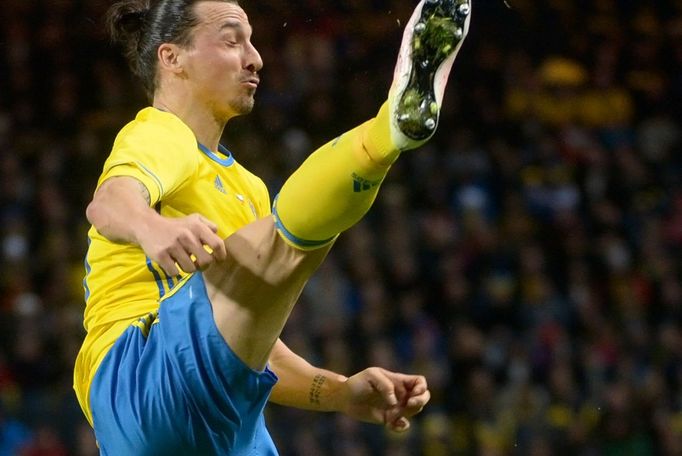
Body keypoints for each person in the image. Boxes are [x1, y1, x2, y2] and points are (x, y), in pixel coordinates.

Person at [73, 0, 471, 454]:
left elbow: (253, 344)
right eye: (232, 39)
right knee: (284, 245)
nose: (255, 57)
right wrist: (151, 228)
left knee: (271, 257)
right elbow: (109, 202)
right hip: (141, 372)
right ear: (172, 58)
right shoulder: (160, 133)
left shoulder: (247, 188)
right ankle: (386, 132)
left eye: (252, 41)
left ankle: (389, 131)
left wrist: (340, 392)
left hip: (220, 414)